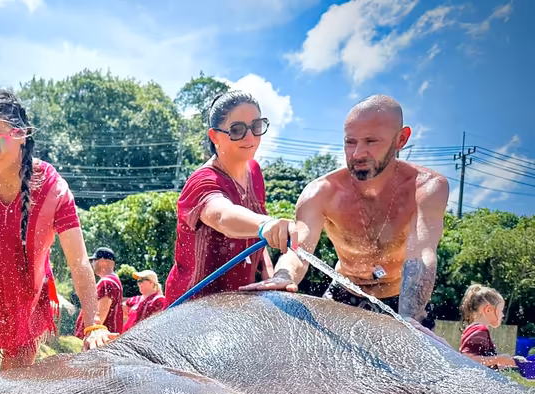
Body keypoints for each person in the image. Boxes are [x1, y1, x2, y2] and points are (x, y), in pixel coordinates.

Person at [0, 88, 114, 379]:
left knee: (13, 388)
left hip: (31, 291)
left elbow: (78, 263)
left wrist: (93, 324)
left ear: (21, 134)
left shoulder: (53, 189)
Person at [243, 95, 449, 330]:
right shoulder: (322, 192)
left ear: (401, 139)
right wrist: (284, 276)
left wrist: (410, 319)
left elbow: (421, 254)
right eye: (350, 142)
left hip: (401, 300)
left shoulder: (426, 188)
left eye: (371, 141)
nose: (358, 153)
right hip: (344, 293)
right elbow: (299, 251)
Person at [165, 90, 294, 305]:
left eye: (256, 127)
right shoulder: (203, 181)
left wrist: (270, 278)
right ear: (214, 136)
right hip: (191, 307)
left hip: (236, 304)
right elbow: (223, 216)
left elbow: (256, 234)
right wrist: (266, 224)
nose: (251, 137)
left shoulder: (254, 172)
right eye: (237, 130)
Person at [458, 284, 521, 370]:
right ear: (488, 310)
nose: (502, 315)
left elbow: (481, 361)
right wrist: (499, 359)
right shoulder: (480, 330)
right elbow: (467, 359)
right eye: (501, 310)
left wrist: (503, 363)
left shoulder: (474, 329)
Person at [74, 247, 124, 338]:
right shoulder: (114, 281)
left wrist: (90, 336)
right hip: (107, 340)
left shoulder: (107, 282)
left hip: (99, 342)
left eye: (94, 260)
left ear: (102, 262)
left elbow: (100, 315)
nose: (92, 264)